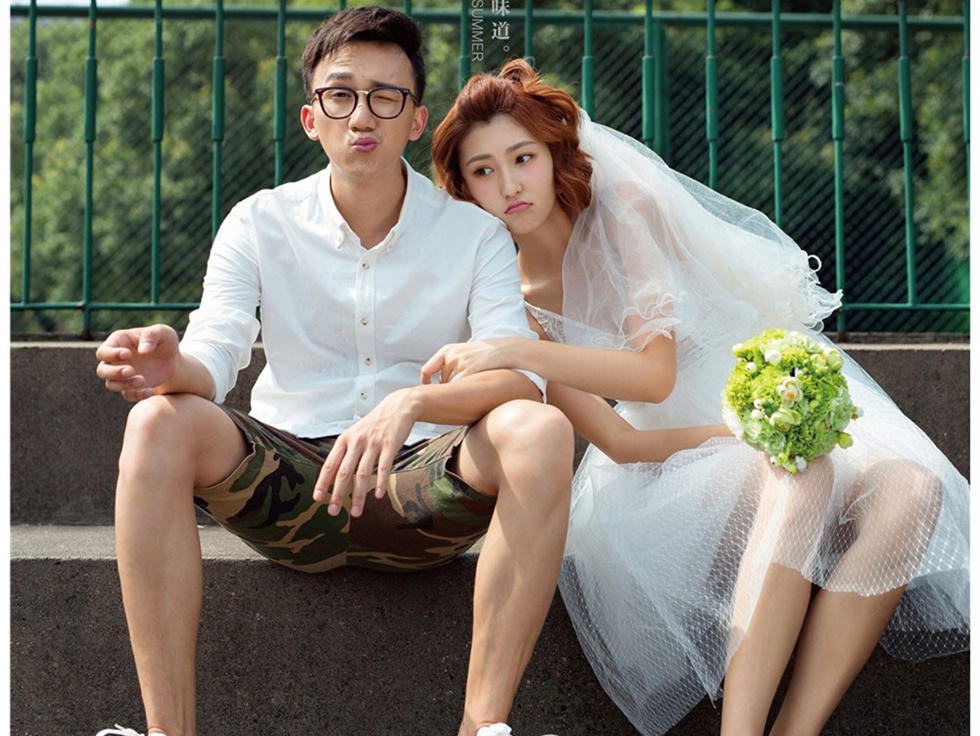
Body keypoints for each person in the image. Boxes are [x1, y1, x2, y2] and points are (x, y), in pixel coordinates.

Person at [426, 59, 969, 736]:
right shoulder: (515, 304)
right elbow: (622, 439)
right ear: (464, 189)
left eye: (523, 157)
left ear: (555, 152)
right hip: (673, 462)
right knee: (802, 476)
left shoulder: (624, 210)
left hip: (759, 397)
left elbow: (654, 371)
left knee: (914, 490)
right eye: (483, 171)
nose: (509, 184)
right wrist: (740, 439)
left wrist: (519, 352)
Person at [93, 11, 573, 736]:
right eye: (341, 94)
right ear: (311, 117)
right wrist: (171, 365)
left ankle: (483, 728)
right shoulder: (258, 221)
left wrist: (411, 403)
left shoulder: (475, 234)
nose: (362, 116)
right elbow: (215, 354)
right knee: (158, 420)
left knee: (539, 428)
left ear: (416, 120)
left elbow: (518, 375)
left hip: (426, 485)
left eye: (386, 96)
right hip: (286, 486)